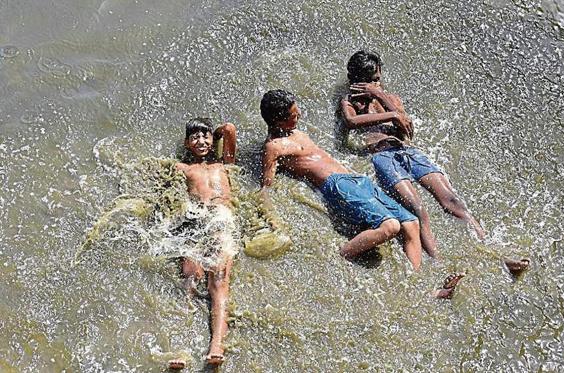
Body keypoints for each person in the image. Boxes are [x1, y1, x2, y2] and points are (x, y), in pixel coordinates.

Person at [259, 89, 464, 297]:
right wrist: (270, 217)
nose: (300, 115)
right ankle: (342, 253)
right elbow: (267, 186)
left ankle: (419, 288)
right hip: (337, 184)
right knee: (391, 225)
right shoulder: (274, 147)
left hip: (357, 180)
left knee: (411, 223)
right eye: (294, 115)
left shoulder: (297, 133)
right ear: (279, 121)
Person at [339, 50, 486, 259]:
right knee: (417, 208)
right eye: (372, 81)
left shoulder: (390, 98)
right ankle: (438, 261)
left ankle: (492, 251)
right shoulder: (350, 102)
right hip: (384, 157)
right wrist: (391, 114)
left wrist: (381, 97)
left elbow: (407, 131)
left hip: (409, 153)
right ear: (358, 82)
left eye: (378, 80)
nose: (377, 85)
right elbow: (351, 123)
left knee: (452, 201)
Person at [167, 118, 238, 369]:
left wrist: (215, 135)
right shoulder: (183, 169)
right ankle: (180, 344)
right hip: (195, 221)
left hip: (220, 221)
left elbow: (229, 128)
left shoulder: (224, 164)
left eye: (205, 136)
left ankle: (216, 344)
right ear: (187, 143)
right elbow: (168, 196)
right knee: (189, 279)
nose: (201, 141)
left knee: (218, 282)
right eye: (195, 137)